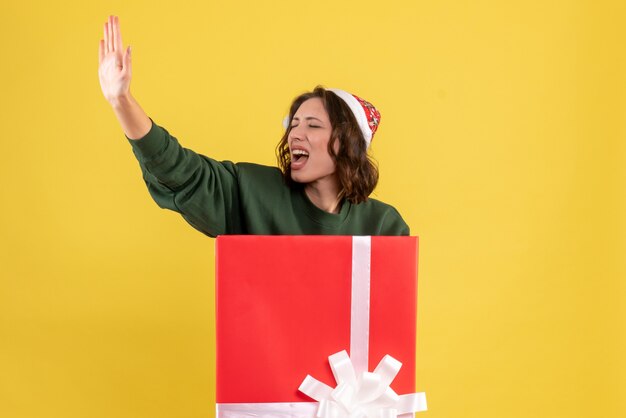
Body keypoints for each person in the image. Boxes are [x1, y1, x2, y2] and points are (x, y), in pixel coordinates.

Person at [98, 15, 409, 236]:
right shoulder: (251, 191)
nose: (295, 134)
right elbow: (181, 172)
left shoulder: (384, 227)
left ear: (346, 142)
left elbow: (386, 319)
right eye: (294, 124)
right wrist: (121, 101)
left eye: (312, 125)